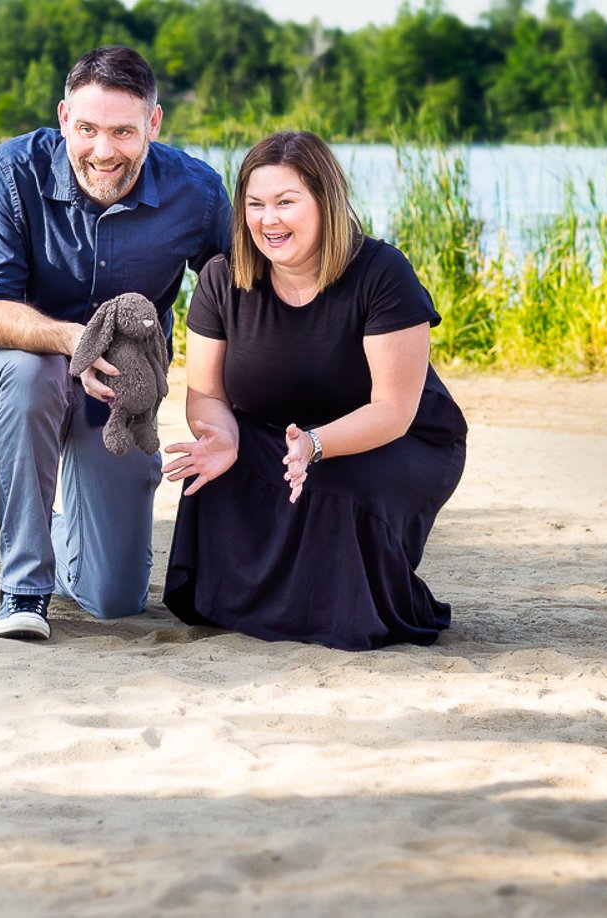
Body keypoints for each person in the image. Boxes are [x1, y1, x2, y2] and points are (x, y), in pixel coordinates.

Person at [0, 46, 231, 640]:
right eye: (86, 129)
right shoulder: (12, 171)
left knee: (116, 599)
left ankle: (60, 528)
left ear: (153, 125)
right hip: (15, 369)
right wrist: (72, 341)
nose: (103, 151)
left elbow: (239, 302)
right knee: (36, 378)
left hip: (120, 393)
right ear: (63, 118)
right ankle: (24, 589)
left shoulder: (198, 192)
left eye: (122, 131)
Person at [161, 130, 466, 648]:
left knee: (332, 490)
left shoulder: (382, 273)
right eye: (255, 204)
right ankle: (254, 606)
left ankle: (350, 606)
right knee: (217, 476)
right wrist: (222, 437)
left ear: (325, 201)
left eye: (286, 202)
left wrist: (315, 445)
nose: (269, 219)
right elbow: (207, 394)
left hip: (392, 438)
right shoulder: (220, 279)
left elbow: (394, 407)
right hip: (275, 432)